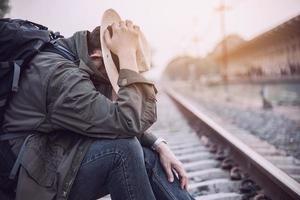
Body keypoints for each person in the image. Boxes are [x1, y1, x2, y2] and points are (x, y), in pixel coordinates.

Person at [1, 10, 195, 200]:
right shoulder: (61, 77)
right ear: (97, 58)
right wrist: (126, 54)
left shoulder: (75, 56)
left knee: (146, 154)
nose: (114, 83)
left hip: (53, 150)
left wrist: (157, 144)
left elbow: (105, 114)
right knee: (122, 150)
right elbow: (127, 122)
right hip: (30, 177)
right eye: (114, 75)